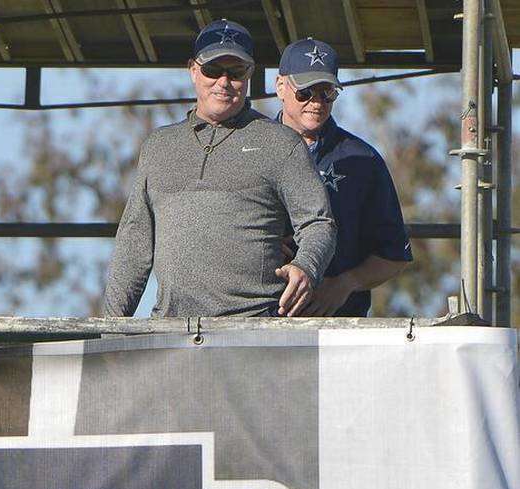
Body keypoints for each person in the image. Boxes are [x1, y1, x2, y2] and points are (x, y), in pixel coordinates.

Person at [103, 19, 336, 318]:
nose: (223, 82)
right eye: (213, 70)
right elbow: (133, 245)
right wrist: (109, 329)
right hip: (171, 331)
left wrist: (306, 266)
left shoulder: (281, 143)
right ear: (193, 71)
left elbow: (319, 223)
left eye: (236, 72)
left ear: (250, 73)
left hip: (254, 329)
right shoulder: (158, 146)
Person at [275, 38, 412, 316]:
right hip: (257, 322)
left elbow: (395, 255)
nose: (316, 102)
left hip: (339, 330)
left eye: (327, 92)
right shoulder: (245, 149)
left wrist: (345, 284)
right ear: (280, 87)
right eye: (305, 92)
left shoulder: (364, 161)